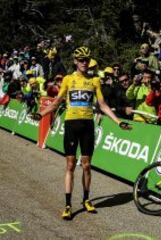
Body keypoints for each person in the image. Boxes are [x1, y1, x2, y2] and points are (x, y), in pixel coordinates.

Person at [31, 47, 131, 220]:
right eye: (81, 59)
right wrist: (41, 114)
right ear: (75, 61)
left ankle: (86, 199)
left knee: (86, 165)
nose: (84, 62)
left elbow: (103, 105)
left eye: (87, 59)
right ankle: (68, 204)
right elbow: (56, 103)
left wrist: (118, 121)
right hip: (71, 124)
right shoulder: (68, 79)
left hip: (87, 126)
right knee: (70, 165)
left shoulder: (95, 81)